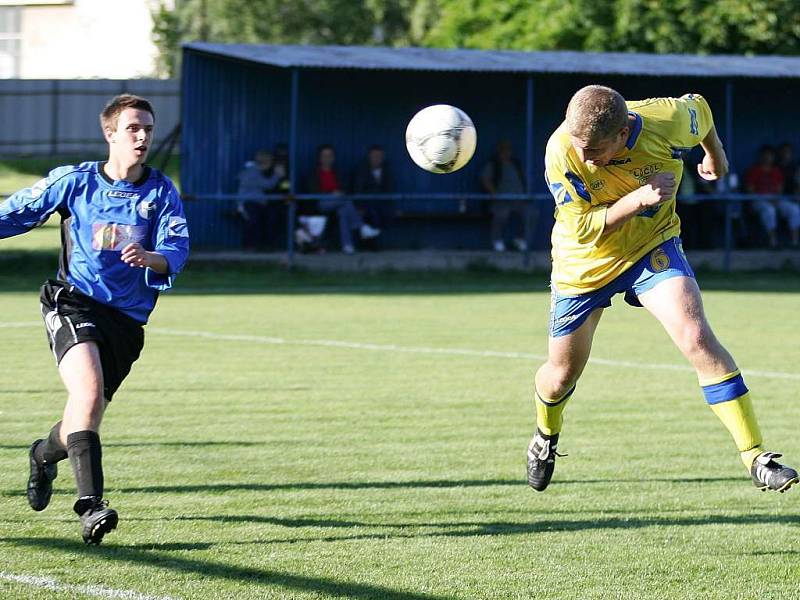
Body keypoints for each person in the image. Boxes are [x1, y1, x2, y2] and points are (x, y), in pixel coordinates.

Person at [527, 85, 797, 495]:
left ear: (622, 134)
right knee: (560, 376)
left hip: (652, 245)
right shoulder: (562, 148)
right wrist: (638, 198)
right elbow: (583, 230)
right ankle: (545, 436)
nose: (584, 157)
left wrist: (716, 155)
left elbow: (701, 112)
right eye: (580, 146)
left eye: (594, 149)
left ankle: (756, 456)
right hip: (583, 264)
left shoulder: (664, 120)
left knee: (697, 338)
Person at [0, 94, 190, 544]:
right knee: (86, 393)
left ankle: (44, 456)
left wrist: (151, 257)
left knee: (81, 418)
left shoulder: (161, 192)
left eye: (148, 128)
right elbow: (16, 213)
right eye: (133, 128)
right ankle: (90, 507)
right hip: (74, 303)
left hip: (125, 323)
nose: (143, 136)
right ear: (110, 134)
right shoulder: (76, 182)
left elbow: (177, 250)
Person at [308, 144, 380, 254]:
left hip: (339, 202)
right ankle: (362, 227)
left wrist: (339, 193)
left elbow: (344, 187)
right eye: (324, 156)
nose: (327, 158)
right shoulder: (314, 173)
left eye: (330, 156)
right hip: (321, 202)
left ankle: (347, 246)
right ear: (320, 158)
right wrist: (332, 193)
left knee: (343, 212)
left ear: (333, 157)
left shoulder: (337, 172)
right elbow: (313, 191)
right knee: (345, 201)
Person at [480, 140, 536, 252]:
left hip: (519, 200)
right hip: (501, 201)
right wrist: (494, 194)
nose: (506, 153)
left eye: (508, 150)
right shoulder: (494, 164)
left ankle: (521, 240)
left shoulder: (515, 164)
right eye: (503, 150)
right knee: (501, 215)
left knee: (531, 213)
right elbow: (484, 179)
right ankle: (497, 241)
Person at [745, 145, 800, 248]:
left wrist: (775, 199)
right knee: (769, 210)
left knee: (794, 209)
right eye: (765, 155)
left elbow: (780, 190)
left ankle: (795, 242)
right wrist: (765, 199)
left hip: (775, 199)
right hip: (758, 200)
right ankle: (773, 241)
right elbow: (750, 191)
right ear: (760, 156)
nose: (767, 158)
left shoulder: (776, 171)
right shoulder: (754, 170)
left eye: (770, 156)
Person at [236, 149, 285, 250]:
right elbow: (268, 185)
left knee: (271, 217)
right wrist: (277, 175)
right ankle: (250, 245)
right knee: (254, 221)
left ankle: (264, 245)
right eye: (268, 162)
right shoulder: (253, 171)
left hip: (256, 203)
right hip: (248, 203)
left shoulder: (251, 170)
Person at [352, 144, 394, 235]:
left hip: (382, 204)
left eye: (379, 156)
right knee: (372, 214)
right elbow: (358, 189)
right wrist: (359, 207)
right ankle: (371, 241)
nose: (377, 159)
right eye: (374, 156)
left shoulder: (386, 171)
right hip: (366, 204)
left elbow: (389, 190)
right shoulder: (362, 171)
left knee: (386, 213)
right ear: (369, 157)